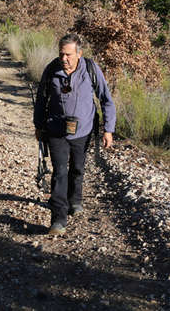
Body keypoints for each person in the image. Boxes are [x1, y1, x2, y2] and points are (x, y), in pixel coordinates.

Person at [33, 33, 116, 235]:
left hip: (84, 129)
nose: (64, 59)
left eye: (68, 55)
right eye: (61, 54)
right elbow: (41, 100)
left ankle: (75, 199)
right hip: (56, 130)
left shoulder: (90, 69)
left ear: (79, 53)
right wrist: (38, 125)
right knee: (59, 172)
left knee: (77, 168)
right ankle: (58, 220)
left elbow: (106, 99)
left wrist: (108, 129)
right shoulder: (52, 69)